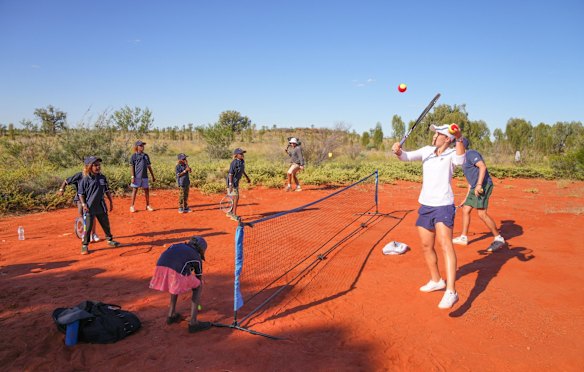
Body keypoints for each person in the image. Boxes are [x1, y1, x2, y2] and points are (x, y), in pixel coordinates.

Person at [391, 124, 465, 309]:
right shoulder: (426, 151)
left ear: (447, 139)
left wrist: (459, 137)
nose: (434, 136)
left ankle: (451, 291)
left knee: (445, 244)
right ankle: (436, 280)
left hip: (444, 205)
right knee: (426, 245)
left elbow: (461, 160)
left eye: (438, 134)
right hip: (426, 204)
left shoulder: (451, 155)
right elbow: (406, 157)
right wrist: (398, 151)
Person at [149, 236, 212, 333]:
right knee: (198, 286)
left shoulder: (177, 245)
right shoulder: (196, 257)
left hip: (160, 269)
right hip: (174, 272)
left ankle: (171, 315)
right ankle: (193, 323)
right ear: (201, 250)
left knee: (175, 281)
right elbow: (198, 278)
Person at [453, 138, 506, 252]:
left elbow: (482, 167)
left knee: (481, 213)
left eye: (456, 146)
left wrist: (479, 185)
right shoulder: (462, 160)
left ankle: (498, 238)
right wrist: (466, 197)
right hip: (475, 186)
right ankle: (463, 237)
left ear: (462, 146)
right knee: (466, 209)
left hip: (484, 185)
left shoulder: (471, 154)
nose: (454, 148)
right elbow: (469, 181)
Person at [77, 156, 121, 255]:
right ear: (89, 167)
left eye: (99, 165)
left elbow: (107, 190)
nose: (98, 167)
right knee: (88, 227)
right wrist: (84, 204)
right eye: (95, 165)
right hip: (89, 207)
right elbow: (81, 194)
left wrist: (110, 201)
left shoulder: (102, 177)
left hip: (101, 206)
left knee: (106, 224)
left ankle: (110, 240)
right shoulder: (85, 179)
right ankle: (85, 245)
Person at [58, 170, 99, 242]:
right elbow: (66, 181)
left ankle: (93, 234)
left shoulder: (96, 175)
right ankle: (85, 234)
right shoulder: (79, 175)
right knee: (82, 215)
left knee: (92, 215)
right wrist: (61, 189)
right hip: (80, 199)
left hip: (90, 199)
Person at [129, 140, 156, 213]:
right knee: (135, 190)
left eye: (143, 145)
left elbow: (149, 167)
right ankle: (132, 206)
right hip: (137, 176)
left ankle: (147, 205)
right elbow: (132, 167)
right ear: (137, 147)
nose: (142, 147)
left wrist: (153, 176)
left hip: (145, 176)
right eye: (140, 145)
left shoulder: (146, 156)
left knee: (146, 190)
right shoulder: (134, 156)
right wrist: (132, 177)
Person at [226, 148, 251, 221]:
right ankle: (233, 215)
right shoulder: (234, 163)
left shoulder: (242, 161)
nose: (242, 155)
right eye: (241, 154)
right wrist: (230, 185)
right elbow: (230, 174)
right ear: (236, 155)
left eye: (243, 153)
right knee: (236, 197)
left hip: (236, 182)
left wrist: (247, 177)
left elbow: (242, 170)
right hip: (231, 182)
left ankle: (230, 212)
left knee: (233, 198)